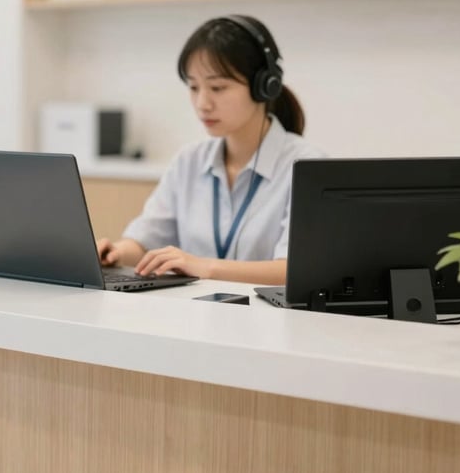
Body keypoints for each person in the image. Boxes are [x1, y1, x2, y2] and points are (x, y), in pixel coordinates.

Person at [97, 15, 323, 285]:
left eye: (218, 87)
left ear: (264, 86)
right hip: (193, 319)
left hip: (270, 323)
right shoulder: (189, 161)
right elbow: (145, 242)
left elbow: (293, 271)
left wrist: (203, 266)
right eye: (194, 87)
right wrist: (115, 253)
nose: (203, 103)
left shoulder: (306, 166)